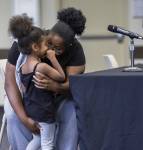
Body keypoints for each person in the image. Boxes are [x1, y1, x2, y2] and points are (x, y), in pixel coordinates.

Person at [4, 7, 86, 150]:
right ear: (46, 35)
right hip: (25, 95)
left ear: (69, 45)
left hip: (55, 98)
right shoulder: (29, 40)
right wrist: (24, 118)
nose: (51, 50)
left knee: (72, 111)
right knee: (12, 115)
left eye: (58, 48)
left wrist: (56, 87)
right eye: (49, 44)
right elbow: (10, 84)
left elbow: (74, 84)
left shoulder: (76, 49)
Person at [8, 14, 66, 150]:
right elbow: (61, 77)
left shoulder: (22, 67)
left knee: (38, 140)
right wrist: (53, 59)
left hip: (31, 110)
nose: (48, 48)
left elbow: (22, 86)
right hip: (44, 111)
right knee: (47, 144)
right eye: (46, 44)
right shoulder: (42, 66)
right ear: (35, 47)